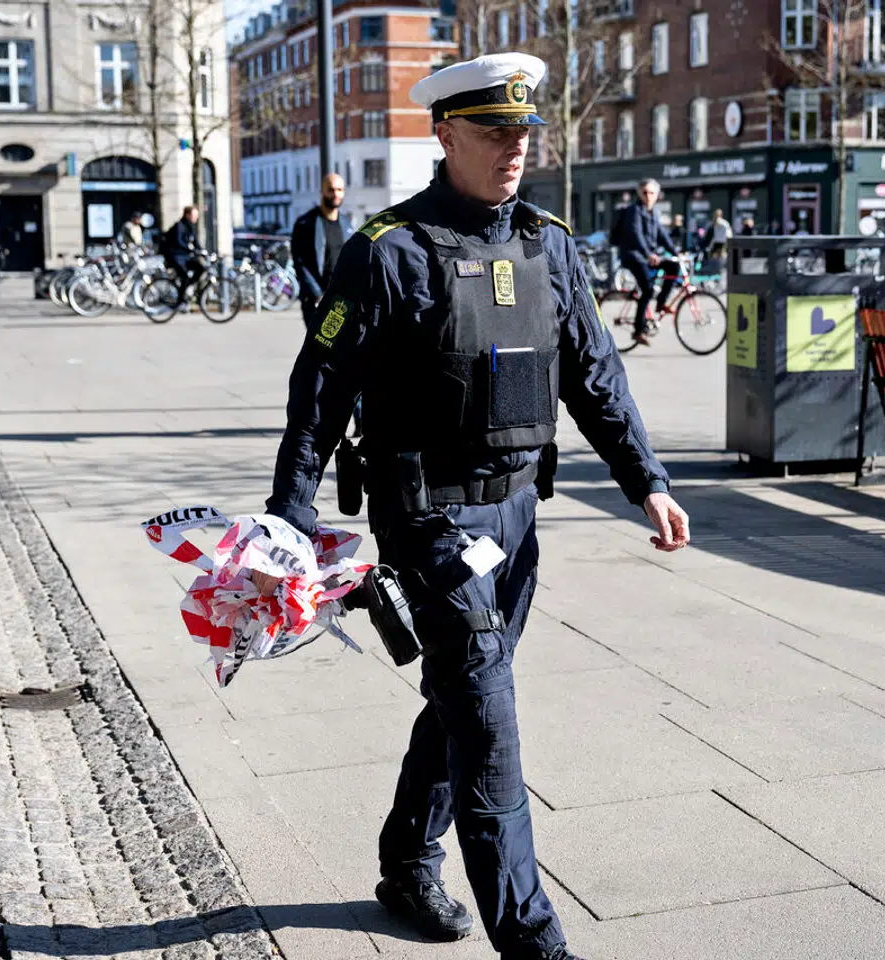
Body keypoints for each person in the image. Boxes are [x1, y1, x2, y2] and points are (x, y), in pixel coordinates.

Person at [259, 52, 688, 960]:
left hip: (518, 521)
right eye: (495, 133)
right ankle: (536, 946)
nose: (514, 150)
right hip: (425, 523)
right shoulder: (386, 252)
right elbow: (320, 390)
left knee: (461, 698)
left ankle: (409, 859)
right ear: (443, 132)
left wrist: (645, 478)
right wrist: (289, 511)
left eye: (524, 134)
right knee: (490, 726)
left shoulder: (549, 244)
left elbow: (595, 375)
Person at [611, 178, 679, 347]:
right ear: (639, 194)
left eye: (652, 193)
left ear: (657, 195)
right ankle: (638, 331)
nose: (648, 196)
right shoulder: (634, 211)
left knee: (674, 266)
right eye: (645, 192)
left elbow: (662, 235)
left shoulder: (654, 213)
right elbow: (636, 235)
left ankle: (661, 303)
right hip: (633, 256)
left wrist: (677, 253)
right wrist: (649, 254)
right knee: (647, 290)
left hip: (647, 256)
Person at [291, 173, 352, 330]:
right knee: (319, 349)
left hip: (340, 300)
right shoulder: (305, 223)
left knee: (338, 349)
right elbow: (300, 263)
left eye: (339, 189)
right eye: (331, 189)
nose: (335, 194)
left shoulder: (346, 224)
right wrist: (317, 294)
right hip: (315, 300)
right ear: (322, 191)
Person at [163, 206, 203, 303]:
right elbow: (179, 242)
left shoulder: (191, 227)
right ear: (187, 215)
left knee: (201, 268)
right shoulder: (179, 226)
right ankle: (179, 299)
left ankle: (185, 288)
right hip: (174, 257)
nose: (196, 218)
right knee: (184, 275)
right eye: (194, 215)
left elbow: (196, 242)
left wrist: (202, 251)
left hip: (184, 257)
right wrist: (191, 250)